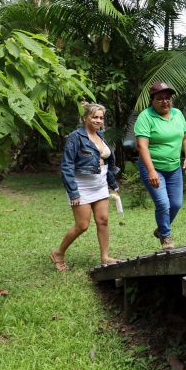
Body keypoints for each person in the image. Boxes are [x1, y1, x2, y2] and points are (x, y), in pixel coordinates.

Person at [52, 102, 120, 270]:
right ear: (85, 118)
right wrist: (73, 192)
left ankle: (105, 256)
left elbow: (106, 163)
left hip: (100, 184)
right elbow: (67, 165)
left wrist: (113, 184)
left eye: (101, 118)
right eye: (94, 117)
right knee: (82, 225)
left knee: (103, 221)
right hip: (81, 186)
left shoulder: (102, 135)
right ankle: (58, 253)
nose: (98, 120)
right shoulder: (76, 137)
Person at [135, 82, 186, 249]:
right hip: (152, 167)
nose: (165, 102)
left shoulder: (178, 114)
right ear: (151, 100)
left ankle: (161, 228)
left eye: (168, 98)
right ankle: (166, 237)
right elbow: (142, 146)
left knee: (176, 204)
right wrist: (151, 171)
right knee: (163, 203)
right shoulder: (145, 117)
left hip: (174, 167)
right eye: (160, 99)